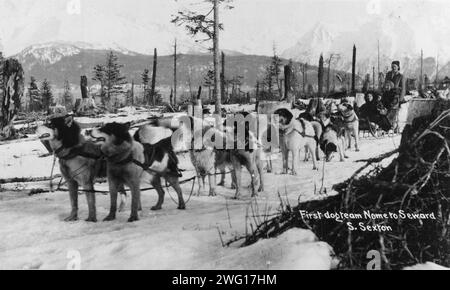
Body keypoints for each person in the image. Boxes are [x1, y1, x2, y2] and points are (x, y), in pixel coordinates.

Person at [384, 61, 406, 133]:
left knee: (393, 111)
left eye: (395, 66)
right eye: (392, 66)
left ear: (398, 67)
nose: (393, 68)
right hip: (387, 95)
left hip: (396, 97)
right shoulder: (388, 74)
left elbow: (403, 89)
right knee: (385, 110)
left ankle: (392, 126)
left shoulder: (401, 76)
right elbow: (385, 84)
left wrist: (401, 99)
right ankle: (386, 125)